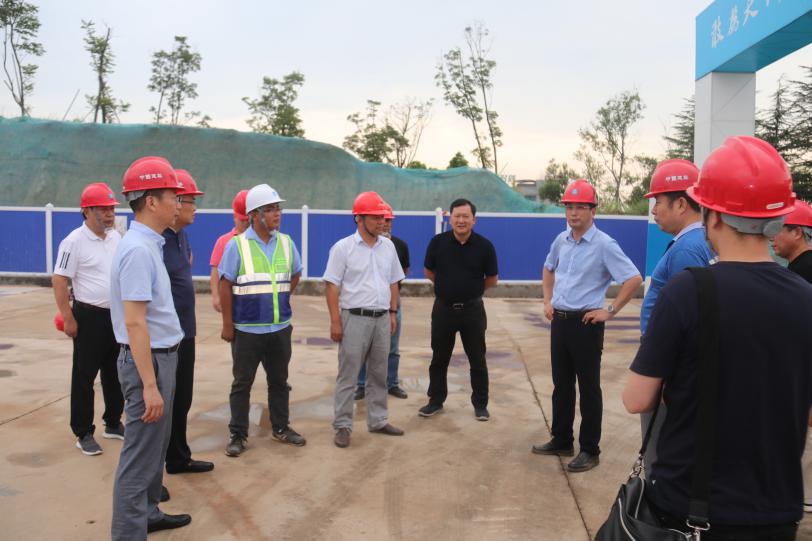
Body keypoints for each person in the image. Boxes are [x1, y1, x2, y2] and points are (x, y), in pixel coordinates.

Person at [623, 136, 812, 539]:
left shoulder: (688, 291)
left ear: (713, 216)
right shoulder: (806, 297)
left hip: (691, 509)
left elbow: (636, 399)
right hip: (777, 511)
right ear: (777, 219)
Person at [532, 179, 642, 473]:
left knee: (589, 388)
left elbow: (633, 278)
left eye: (581, 207)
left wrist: (610, 311)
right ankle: (562, 439)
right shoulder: (561, 240)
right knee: (562, 385)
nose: (573, 213)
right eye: (569, 207)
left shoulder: (604, 244)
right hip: (560, 322)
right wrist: (547, 300)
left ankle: (590, 450)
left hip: (585, 324)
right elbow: (548, 268)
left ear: (593, 210)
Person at [110, 156, 191, 538]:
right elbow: (134, 322)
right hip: (149, 362)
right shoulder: (138, 251)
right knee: (139, 455)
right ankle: (128, 533)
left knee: (154, 449)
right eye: (173, 196)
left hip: (161, 358)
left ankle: (148, 513)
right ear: (151, 201)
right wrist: (149, 384)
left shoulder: (149, 244)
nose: (179, 203)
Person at [637, 159, 715, 476]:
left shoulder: (686, 250)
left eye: (658, 201)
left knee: (658, 449)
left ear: (681, 204)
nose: (654, 210)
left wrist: (663, 372)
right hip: (673, 361)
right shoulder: (698, 242)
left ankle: (658, 501)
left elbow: (687, 318)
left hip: (667, 363)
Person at [218, 183, 305, 457]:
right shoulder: (237, 246)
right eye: (270, 209)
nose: (277, 213)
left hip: (280, 328)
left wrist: (279, 297)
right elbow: (224, 284)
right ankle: (238, 434)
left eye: (278, 208)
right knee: (242, 384)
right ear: (254, 215)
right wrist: (228, 324)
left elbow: (295, 274)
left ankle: (281, 427)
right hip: (246, 331)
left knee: (279, 381)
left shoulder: (287, 243)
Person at [324, 191, 405, 448]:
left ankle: (378, 420)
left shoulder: (388, 247)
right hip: (354, 318)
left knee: (379, 373)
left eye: (383, 217)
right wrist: (335, 321)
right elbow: (332, 286)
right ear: (359, 218)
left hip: (382, 319)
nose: (382, 221)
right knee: (348, 375)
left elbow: (394, 281)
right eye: (376, 217)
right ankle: (343, 425)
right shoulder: (343, 248)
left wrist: (392, 312)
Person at [52, 182, 124, 456]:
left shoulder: (116, 238)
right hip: (88, 317)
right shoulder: (73, 242)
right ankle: (83, 432)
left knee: (115, 373)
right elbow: (59, 280)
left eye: (111, 209)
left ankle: (113, 422)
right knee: (84, 376)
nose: (109, 214)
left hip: (115, 316)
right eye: (103, 209)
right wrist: (68, 317)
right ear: (86, 211)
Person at [418, 198, 498, 421]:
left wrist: (471, 291)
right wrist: (447, 288)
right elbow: (428, 271)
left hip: (473, 311)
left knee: (477, 359)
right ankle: (435, 401)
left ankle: (480, 404)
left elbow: (492, 278)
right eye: (457, 216)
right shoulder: (438, 243)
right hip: (443, 310)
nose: (461, 220)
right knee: (439, 358)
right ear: (450, 218)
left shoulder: (485, 246)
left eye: (466, 216)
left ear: (474, 220)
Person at [162, 169, 214, 475]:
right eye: (192, 201)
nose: (196, 208)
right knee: (163, 405)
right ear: (177, 202)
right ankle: (154, 472)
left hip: (186, 332)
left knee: (182, 399)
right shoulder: (157, 242)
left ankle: (179, 458)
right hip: (165, 338)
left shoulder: (181, 237)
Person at [770, 199, 812, 514]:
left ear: (797, 232)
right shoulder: (798, 269)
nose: (772, 237)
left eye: (778, 230)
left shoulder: (804, 274)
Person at [355, 203, 410, 400]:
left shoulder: (399, 245)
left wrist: (392, 304)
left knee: (392, 348)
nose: (384, 223)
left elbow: (403, 272)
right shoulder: (359, 246)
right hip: (367, 303)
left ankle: (392, 383)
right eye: (380, 219)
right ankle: (361, 385)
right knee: (364, 347)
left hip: (392, 303)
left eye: (387, 220)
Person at [210, 190, 249, 313]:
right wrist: (216, 296)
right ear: (234, 217)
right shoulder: (223, 241)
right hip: (232, 300)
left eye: (248, 220)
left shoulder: (259, 240)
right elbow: (215, 271)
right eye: (242, 220)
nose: (245, 223)